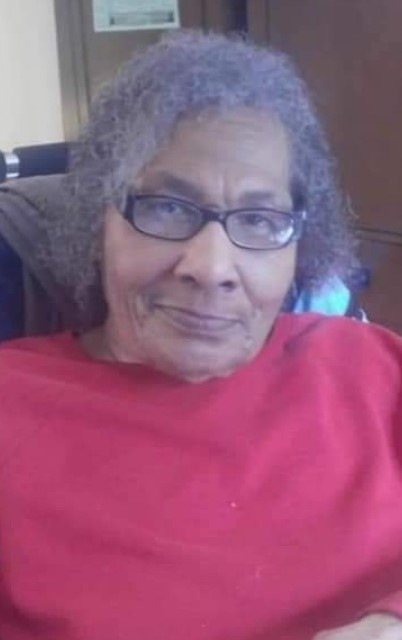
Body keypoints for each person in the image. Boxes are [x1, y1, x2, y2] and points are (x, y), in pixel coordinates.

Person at [0, 29, 401, 640]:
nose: (212, 268)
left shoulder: (371, 365)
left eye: (260, 219)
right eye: (166, 208)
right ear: (97, 217)